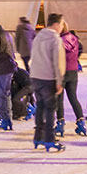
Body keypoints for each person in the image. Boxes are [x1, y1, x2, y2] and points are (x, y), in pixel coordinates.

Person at [30, 14, 67, 151]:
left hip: (35, 77)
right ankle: (49, 140)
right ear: (56, 24)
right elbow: (58, 62)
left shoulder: (38, 37)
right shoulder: (55, 39)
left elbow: (32, 56)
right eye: (62, 24)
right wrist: (59, 80)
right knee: (50, 109)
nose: (62, 28)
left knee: (40, 108)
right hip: (48, 78)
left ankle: (38, 137)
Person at [55, 24, 87, 137]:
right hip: (73, 71)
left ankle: (60, 123)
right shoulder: (74, 39)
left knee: (59, 98)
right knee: (73, 97)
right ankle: (81, 122)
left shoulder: (60, 41)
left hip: (62, 71)